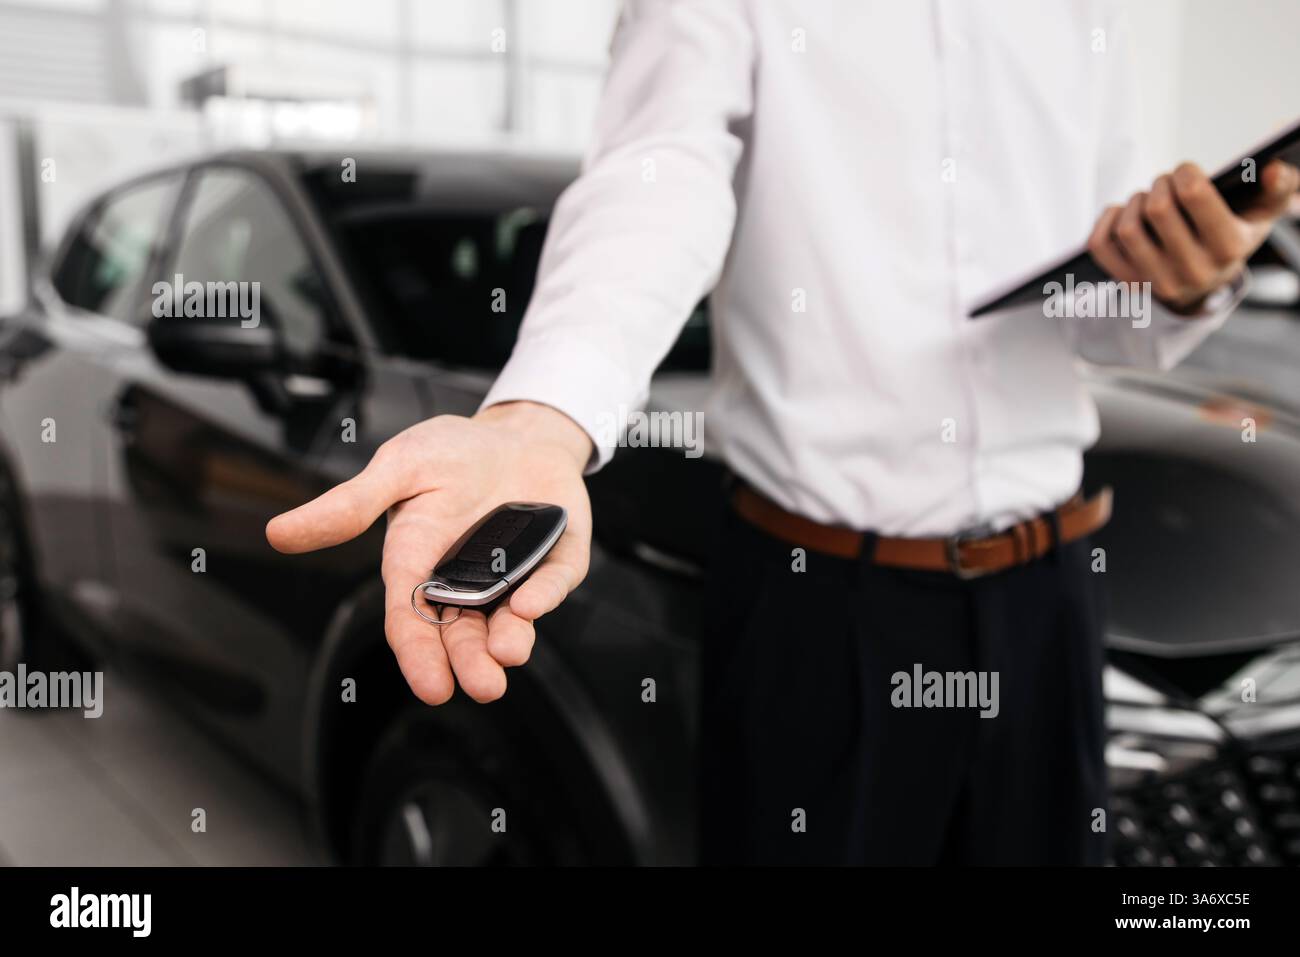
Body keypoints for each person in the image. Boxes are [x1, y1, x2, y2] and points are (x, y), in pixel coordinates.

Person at [266, 1, 1300, 864]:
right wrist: (545, 413)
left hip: (1050, 599)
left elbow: (1096, 316)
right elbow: (657, 176)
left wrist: (1182, 281)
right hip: (823, 608)